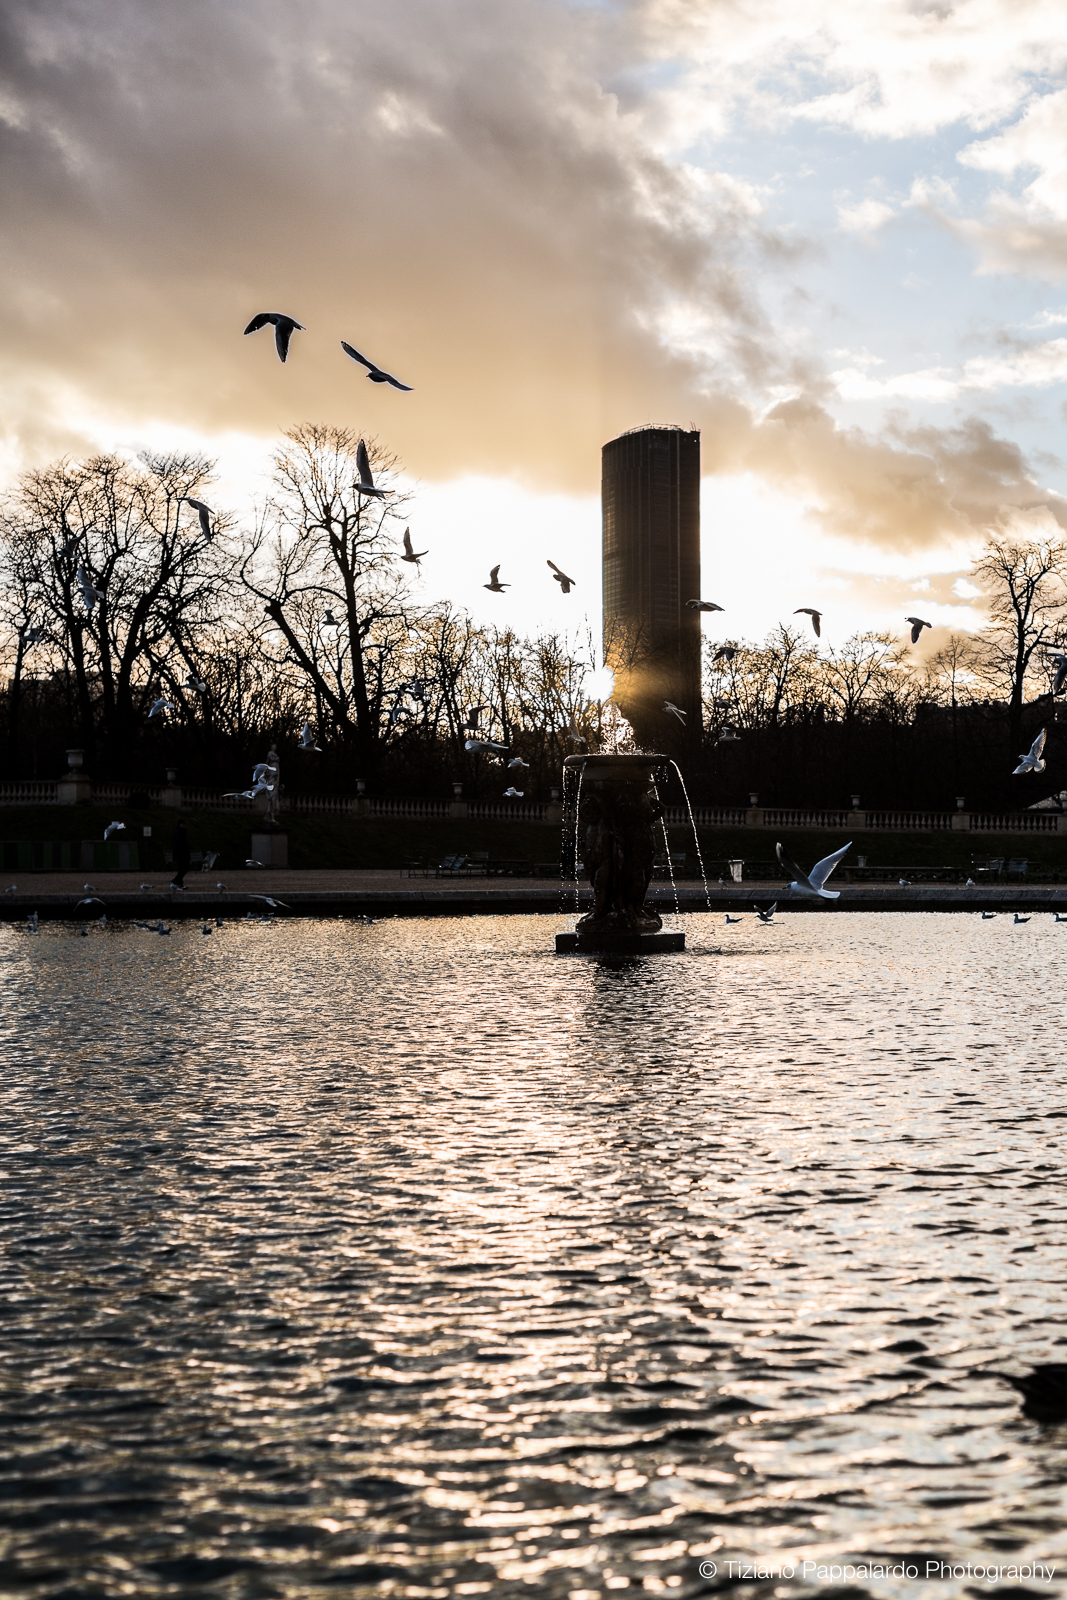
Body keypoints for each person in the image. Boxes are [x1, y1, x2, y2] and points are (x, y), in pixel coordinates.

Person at [171, 818, 191, 889]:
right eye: (182, 824)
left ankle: (177, 881)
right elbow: (178, 844)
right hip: (180, 854)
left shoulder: (182, 832)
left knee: (183, 868)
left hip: (183, 853)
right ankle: (177, 881)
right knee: (183, 868)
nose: (183, 826)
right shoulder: (178, 832)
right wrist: (180, 852)